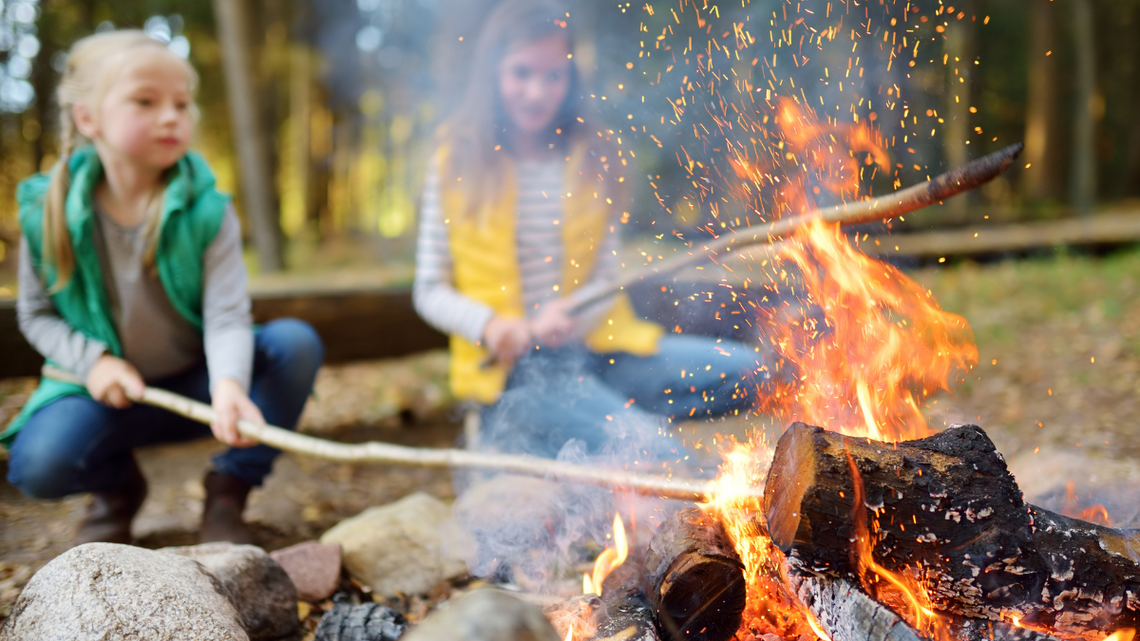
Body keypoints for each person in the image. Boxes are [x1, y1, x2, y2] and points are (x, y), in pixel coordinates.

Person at [3, 31, 324, 545]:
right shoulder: (47, 212)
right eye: (145, 101)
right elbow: (37, 315)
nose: (172, 115)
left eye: (182, 102)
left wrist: (229, 385)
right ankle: (117, 489)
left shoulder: (209, 210)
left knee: (294, 344)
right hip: (103, 393)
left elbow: (226, 317)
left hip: (197, 383)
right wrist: (94, 362)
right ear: (88, 118)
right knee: (39, 466)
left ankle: (229, 490)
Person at [414, 0, 766, 459]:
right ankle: (584, 426)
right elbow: (428, 289)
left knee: (755, 371)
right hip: (514, 374)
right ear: (493, 73)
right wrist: (491, 325)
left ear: (570, 78)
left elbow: (605, 275)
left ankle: (603, 418)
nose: (537, 92)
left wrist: (575, 319)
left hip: (602, 352)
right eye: (522, 73)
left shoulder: (597, 157)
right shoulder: (455, 160)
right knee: (656, 454)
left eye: (552, 76)